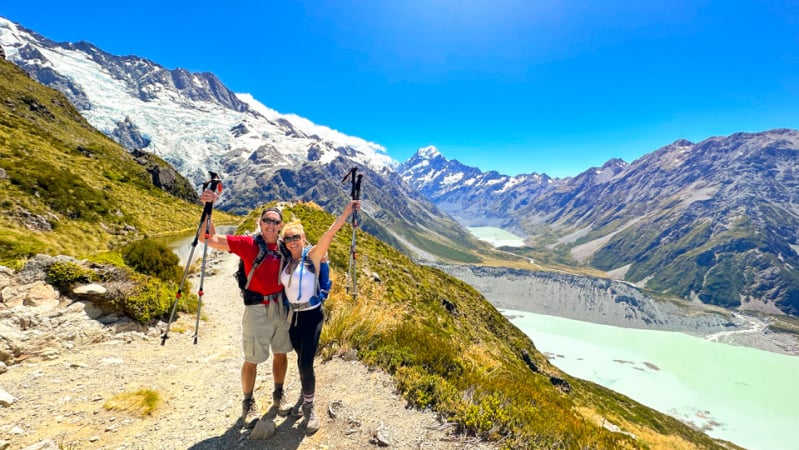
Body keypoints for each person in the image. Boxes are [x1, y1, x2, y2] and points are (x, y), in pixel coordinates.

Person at [199, 189, 293, 428]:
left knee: (281, 352)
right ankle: (248, 402)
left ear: (280, 226)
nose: (271, 225)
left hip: (280, 307)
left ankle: (278, 394)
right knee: (252, 358)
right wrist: (208, 210)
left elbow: (308, 253)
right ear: (260, 223)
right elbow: (207, 239)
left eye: (275, 221)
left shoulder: (284, 247)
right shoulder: (248, 244)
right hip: (256, 309)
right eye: (267, 221)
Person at [280, 199, 361, 435]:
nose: (293, 241)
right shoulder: (285, 263)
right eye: (289, 238)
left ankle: (309, 407)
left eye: (297, 237)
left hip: (312, 316)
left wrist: (347, 211)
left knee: (306, 362)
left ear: (304, 238)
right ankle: (305, 394)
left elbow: (330, 233)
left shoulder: (313, 256)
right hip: (292, 318)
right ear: (284, 242)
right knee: (300, 360)